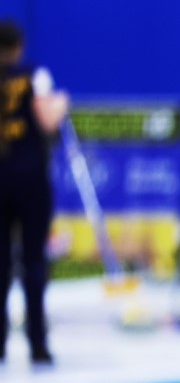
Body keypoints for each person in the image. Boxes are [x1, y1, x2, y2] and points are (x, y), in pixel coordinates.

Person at [0, 19, 67, 365]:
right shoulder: (35, 76)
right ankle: (37, 344)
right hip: (29, 180)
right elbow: (47, 121)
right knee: (33, 261)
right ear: (19, 46)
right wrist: (60, 104)